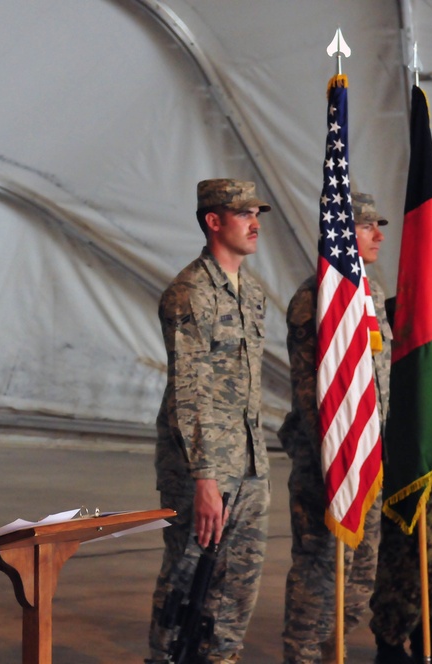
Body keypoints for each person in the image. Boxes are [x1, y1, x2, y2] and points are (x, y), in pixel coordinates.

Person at [145, 179, 272, 664]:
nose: (254, 222)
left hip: (250, 462)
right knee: (187, 578)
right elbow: (189, 391)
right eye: (243, 214)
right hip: (204, 468)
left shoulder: (253, 292)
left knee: (237, 584)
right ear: (213, 221)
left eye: (256, 212)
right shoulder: (190, 292)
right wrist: (205, 478)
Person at [279, 192, 392, 664]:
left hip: (368, 454)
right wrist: (335, 458)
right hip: (329, 458)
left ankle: (334, 650)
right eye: (367, 227)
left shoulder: (373, 293)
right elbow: (312, 393)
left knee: (361, 573)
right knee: (318, 569)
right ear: (344, 234)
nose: (378, 235)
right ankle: (303, 655)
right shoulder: (314, 298)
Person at [368, 223, 432, 664]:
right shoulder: (397, 314)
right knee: (404, 557)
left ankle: (428, 632)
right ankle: (391, 640)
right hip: (409, 458)